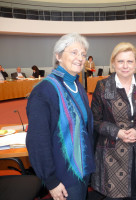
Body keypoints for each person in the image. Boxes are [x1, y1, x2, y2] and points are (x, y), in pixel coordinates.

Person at [26, 33, 96, 200]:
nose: (80, 58)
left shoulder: (78, 86)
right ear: (58, 56)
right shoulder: (44, 91)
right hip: (63, 177)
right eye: (74, 52)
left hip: (83, 168)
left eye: (83, 54)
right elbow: (37, 142)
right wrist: (51, 181)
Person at [91, 42, 136, 200]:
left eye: (129, 61)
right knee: (114, 195)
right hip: (111, 152)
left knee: (134, 193)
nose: (125, 66)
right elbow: (95, 121)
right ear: (113, 63)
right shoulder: (103, 86)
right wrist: (117, 132)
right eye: (120, 61)